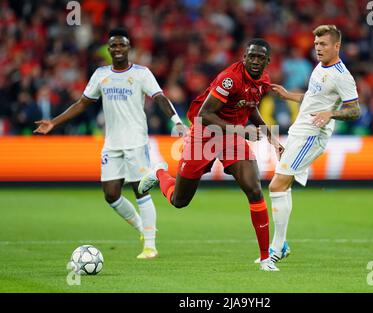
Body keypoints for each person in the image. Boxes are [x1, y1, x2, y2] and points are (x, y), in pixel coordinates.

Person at [33, 28, 185, 259]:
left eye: (121, 45)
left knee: (140, 191)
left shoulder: (142, 73)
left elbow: (160, 98)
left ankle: (150, 246)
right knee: (111, 194)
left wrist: (176, 121)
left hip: (136, 141)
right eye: (113, 45)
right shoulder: (101, 74)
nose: (117, 49)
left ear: (129, 48)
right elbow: (82, 103)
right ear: (109, 49)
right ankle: (141, 229)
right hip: (112, 143)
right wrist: (54, 122)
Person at [138, 39, 284, 271]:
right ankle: (159, 171)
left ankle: (266, 258)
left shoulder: (263, 81)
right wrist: (243, 130)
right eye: (251, 56)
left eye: (260, 57)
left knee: (254, 189)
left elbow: (250, 106)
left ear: (267, 61)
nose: (255, 61)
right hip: (205, 133)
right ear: (244, 57)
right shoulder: (230, 78)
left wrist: (272, 139)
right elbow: (205, 114)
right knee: (179, 201)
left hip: (232, 137)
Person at [262, 25, 361, 263]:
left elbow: (355, 110)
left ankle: (276, 248)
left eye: (323, 44)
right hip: (299, 129)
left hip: (312, 135)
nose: (318, 48)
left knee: (277, 185)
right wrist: (288, 95)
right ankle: (280, 246)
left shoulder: (342, 76)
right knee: (282, 187)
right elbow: (313, 98)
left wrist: (330, 114)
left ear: (337, 46)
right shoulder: (320, 67)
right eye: (316, 44)